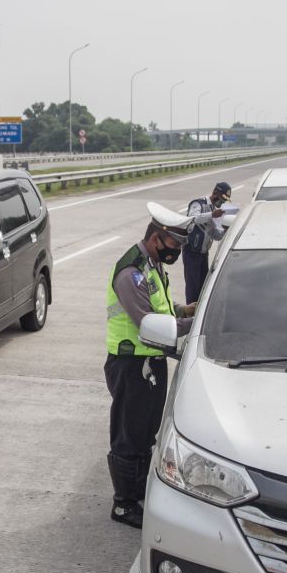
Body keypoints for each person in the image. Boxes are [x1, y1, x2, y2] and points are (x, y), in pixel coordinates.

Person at [104, 202, 198, 529]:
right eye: (175, 245)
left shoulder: (153, 265)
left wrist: (187, 310)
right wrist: (197, 325)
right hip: (131, 364)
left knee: (146, 432)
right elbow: (148, 322)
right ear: (157, 238)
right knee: (129, 434)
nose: (178, 251)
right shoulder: (131, 272)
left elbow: (164, 309)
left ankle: (140, 490)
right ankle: (124, 503)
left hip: (151, 361)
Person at [183, 181, 231, 304]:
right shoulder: (199, 203)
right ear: (215, 192)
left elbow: (214, 234)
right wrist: (212, 214)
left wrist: (226, 229)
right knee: (193, 289)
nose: (222, 202)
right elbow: (193, 219)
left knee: (203, 288)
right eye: (221, 198)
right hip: (192, 253)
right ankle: (190, 315)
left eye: (224, 201)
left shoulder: (214, 209)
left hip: (203, 254)